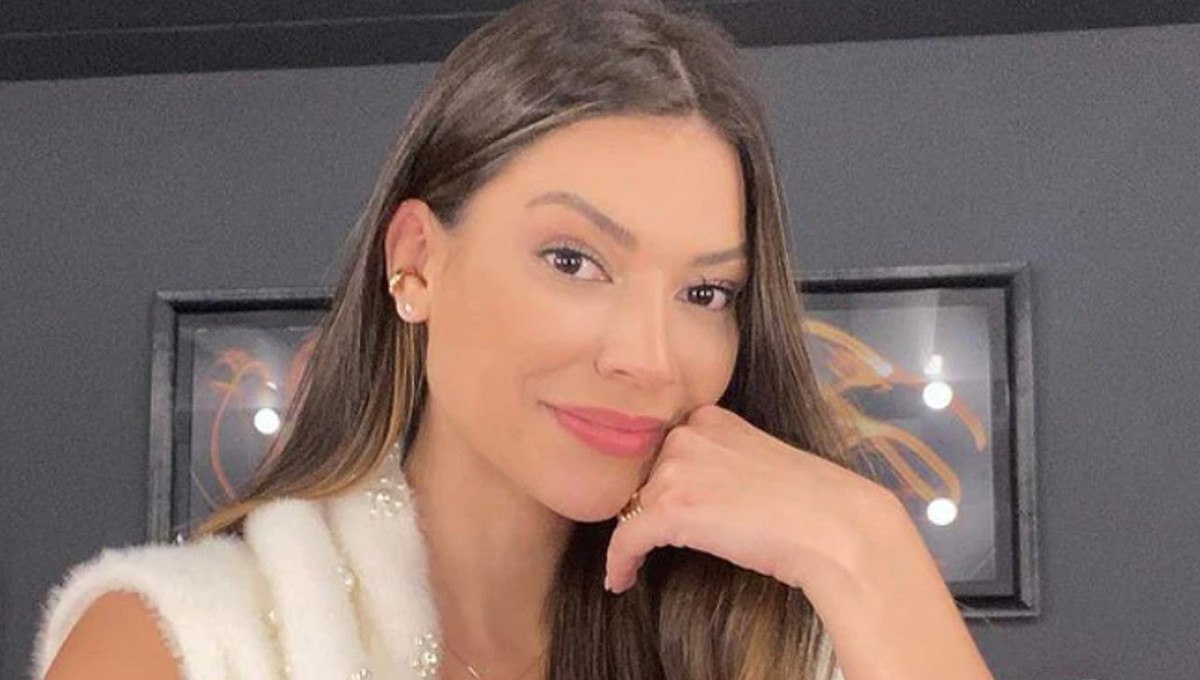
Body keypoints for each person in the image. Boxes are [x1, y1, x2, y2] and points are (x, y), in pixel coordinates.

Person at [32, 0, 997, 678]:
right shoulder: (182, 645)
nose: (649, 358)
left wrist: (872, 550)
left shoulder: (784, 646)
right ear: (416, 263)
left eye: (705, 291)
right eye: (574, 261)